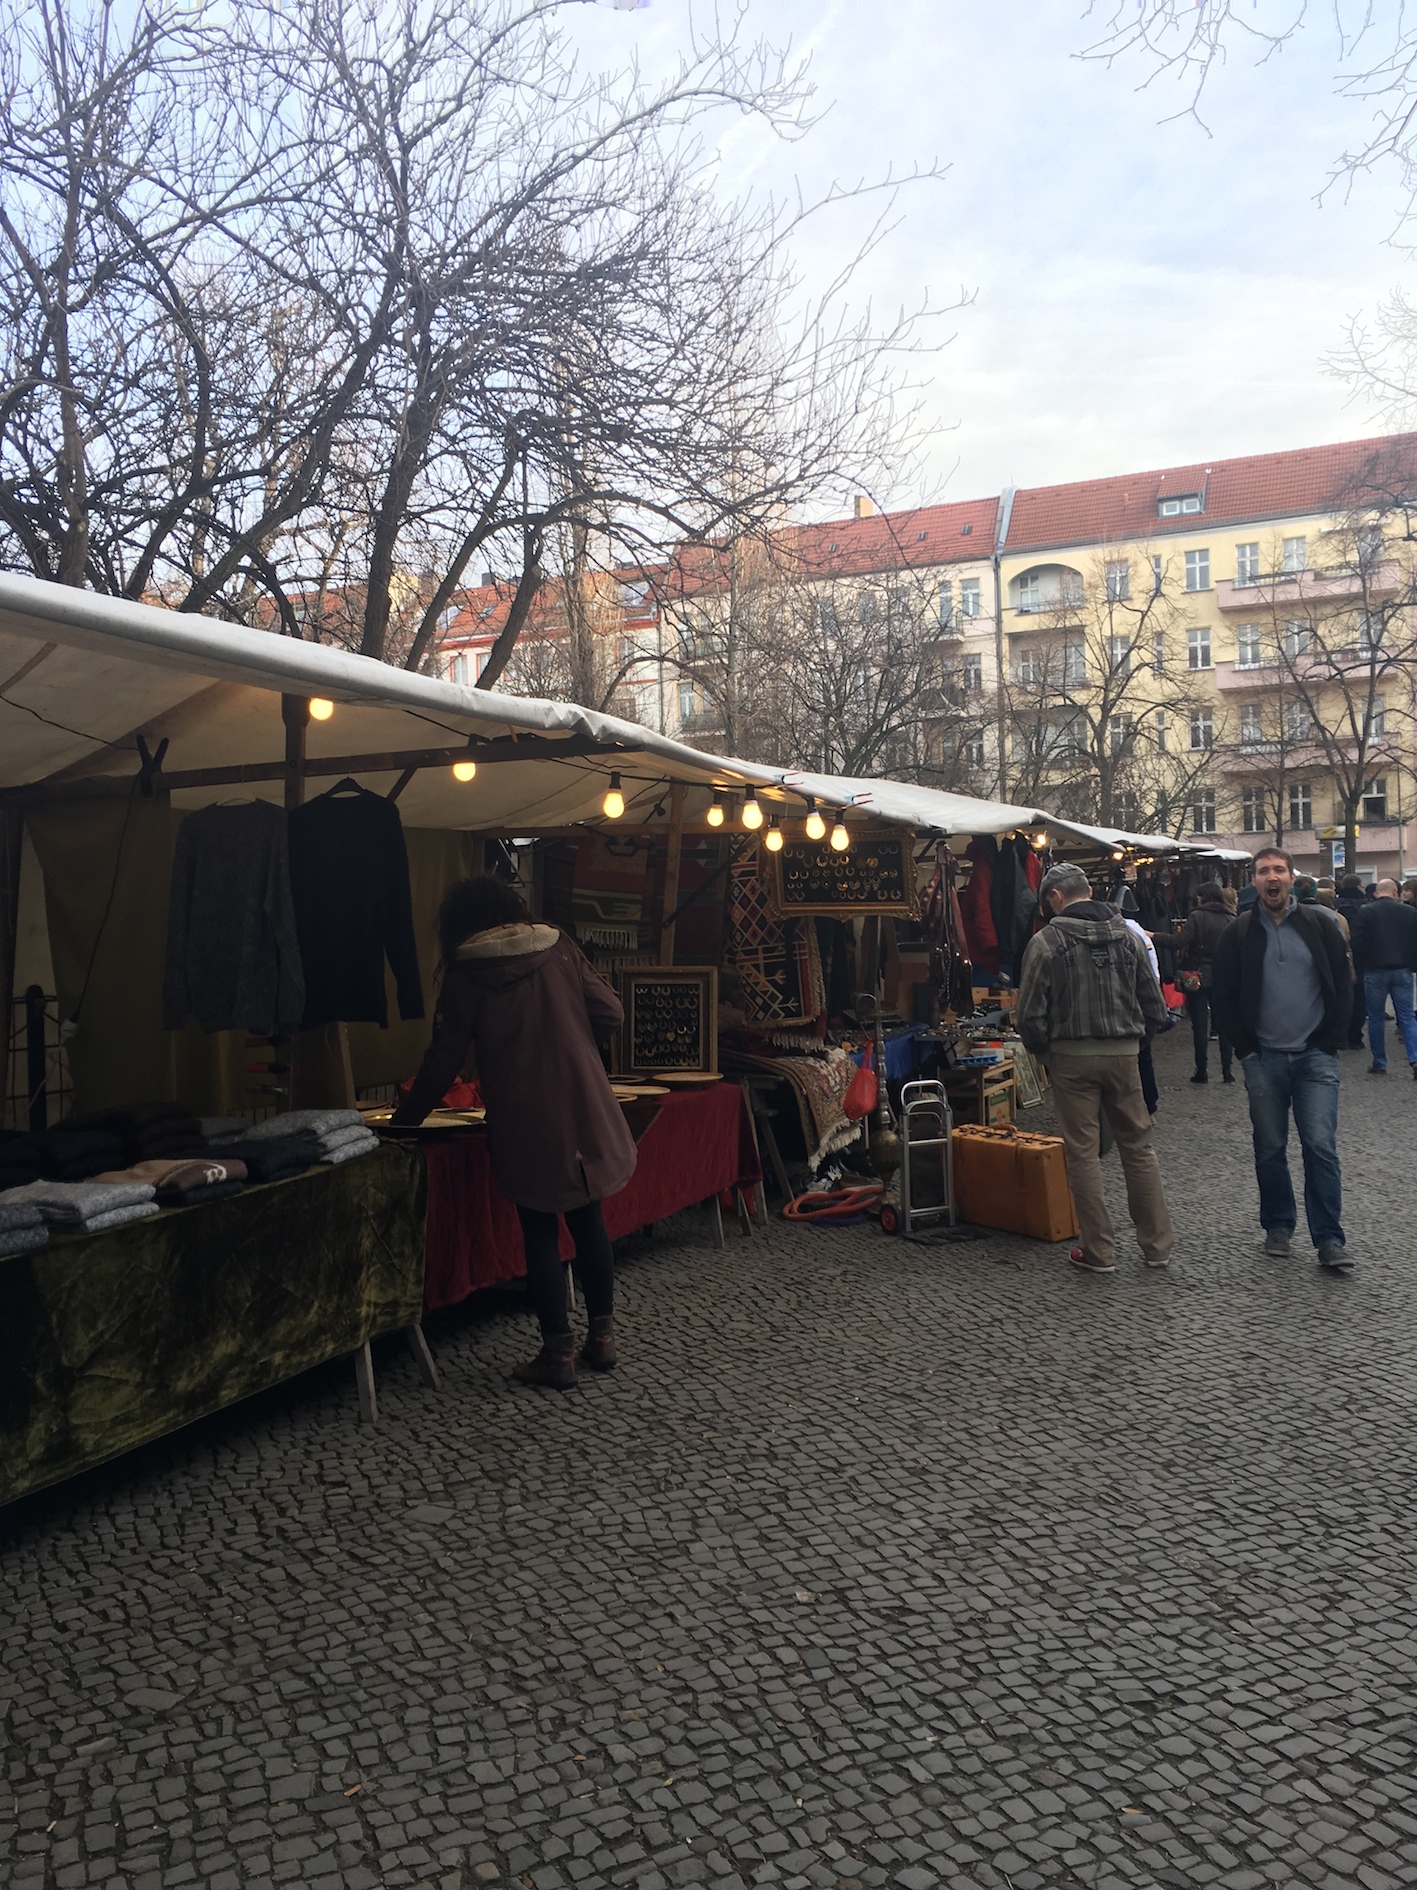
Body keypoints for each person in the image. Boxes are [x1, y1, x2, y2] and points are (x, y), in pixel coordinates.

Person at [391, 875, 637, 1389]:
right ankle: (603, 1338)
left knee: (539, 1229)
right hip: (583, 1104)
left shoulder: (466, 975)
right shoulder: (559, 949)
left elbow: (442, 1063)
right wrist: (575, 1045)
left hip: (525, 1118)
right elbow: (611, 1012)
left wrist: (404, 1121)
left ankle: (557, 1355)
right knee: (589, 1218)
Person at [1017, 862, 1174, 1274]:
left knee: (1083, 1154)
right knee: (1139, 1149)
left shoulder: (1045, 942)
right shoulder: (1130, 936)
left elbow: (1029, 1015)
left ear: (1055, 897)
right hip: (1124, 1054)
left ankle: (1098, 1251)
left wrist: (1048, 1055)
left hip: (1070, 1057)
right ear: (1088, 890)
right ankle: (1157, 1247)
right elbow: (1156, 1008)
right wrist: (1134, 1045)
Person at [1212, 847, 1353, 1272]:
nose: (1271, 877)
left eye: (1278, 870)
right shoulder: (1238, 932)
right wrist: (1245, 1047)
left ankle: (1329, 1238)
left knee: (1320, 1146)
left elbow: (1343, 983)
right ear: (1254, 881)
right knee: (1270, 1146)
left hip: (1315, 1056)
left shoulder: (1320, 924)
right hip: (1264, 1057)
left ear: (1292, 877)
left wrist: (1330, 1040)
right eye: (1263, 871)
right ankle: (1278, 1225)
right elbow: (1223, 995)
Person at [1151, 881, 1234, 1084]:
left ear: (1203, 897)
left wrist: (1153, 936)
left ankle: (1201, 1070)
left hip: (1196, 975)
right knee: (1224, 1025)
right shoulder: (1231, 918)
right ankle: (1227, 1071)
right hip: (1223, 976)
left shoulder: (1197, 916)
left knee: (1199, 1025)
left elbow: (1178, 941)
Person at [1351, 876, 1417, 1076]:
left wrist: (1360, 966)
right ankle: (1415, 1058)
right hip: (1402, 969)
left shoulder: (1365, 911)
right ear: (1395, 892)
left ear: (1376, 893)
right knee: (1407, 1016)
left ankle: (1379, 1062)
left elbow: (1357, 942)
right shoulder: (1409, 912)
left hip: (1374, 970)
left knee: (1376, 1018)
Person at [1335, 874, 1368, 1048]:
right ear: (1359, 885)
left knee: (1340, 994)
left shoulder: (1335, 904)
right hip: (1360, 957)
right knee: (1359, 998)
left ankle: (1341, 1033)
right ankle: (1355, 1036)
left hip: (1338, 955)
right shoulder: (1365, 906)